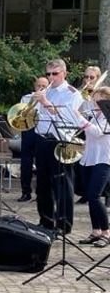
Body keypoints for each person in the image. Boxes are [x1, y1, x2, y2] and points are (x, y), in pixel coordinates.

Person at [33, 59, 82, 233]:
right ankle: (46, 221)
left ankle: (63, 225)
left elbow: (67, 118)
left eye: (55, 73)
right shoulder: (47, 91)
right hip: (42, 139)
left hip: (61, 141)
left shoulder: (72, 93)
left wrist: (45, 102)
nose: (51, 77)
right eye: (48, 74)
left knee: (62, 184)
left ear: (65, 73)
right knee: (42, 184)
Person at [76, 86, 110, 247]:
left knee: (95, 196)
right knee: (90, 198)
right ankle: (96, 231)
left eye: (98, 101)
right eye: (94, 101)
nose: (95, 104)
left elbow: (98, 132)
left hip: (103, 159)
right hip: (88, 158)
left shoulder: (108, 117)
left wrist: (80, 118)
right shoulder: (94, 115)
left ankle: (106, 233)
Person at [17, 77, 49, 202]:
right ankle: (25, 192)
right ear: (34, 86)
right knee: (25, 164)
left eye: (44, 86)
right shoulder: (26, 98)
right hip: (29, 130)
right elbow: (20, 115)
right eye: (38, 85)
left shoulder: (49, 98)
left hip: (43, 132)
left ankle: (41, 193)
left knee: (42, 163)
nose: (40, 88)